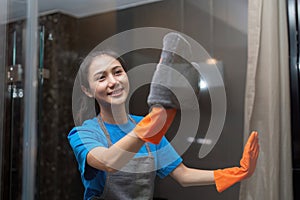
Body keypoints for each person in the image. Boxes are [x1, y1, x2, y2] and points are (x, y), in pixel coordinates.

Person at [68, 36, 259, 200]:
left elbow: (183, 174)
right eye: (101, 78)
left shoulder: (146, 124)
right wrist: (149, 127)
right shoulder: (83, 134)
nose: (113, 81)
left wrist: (236, 173)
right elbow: (108, 161)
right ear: (87, 90)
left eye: (118, 72)